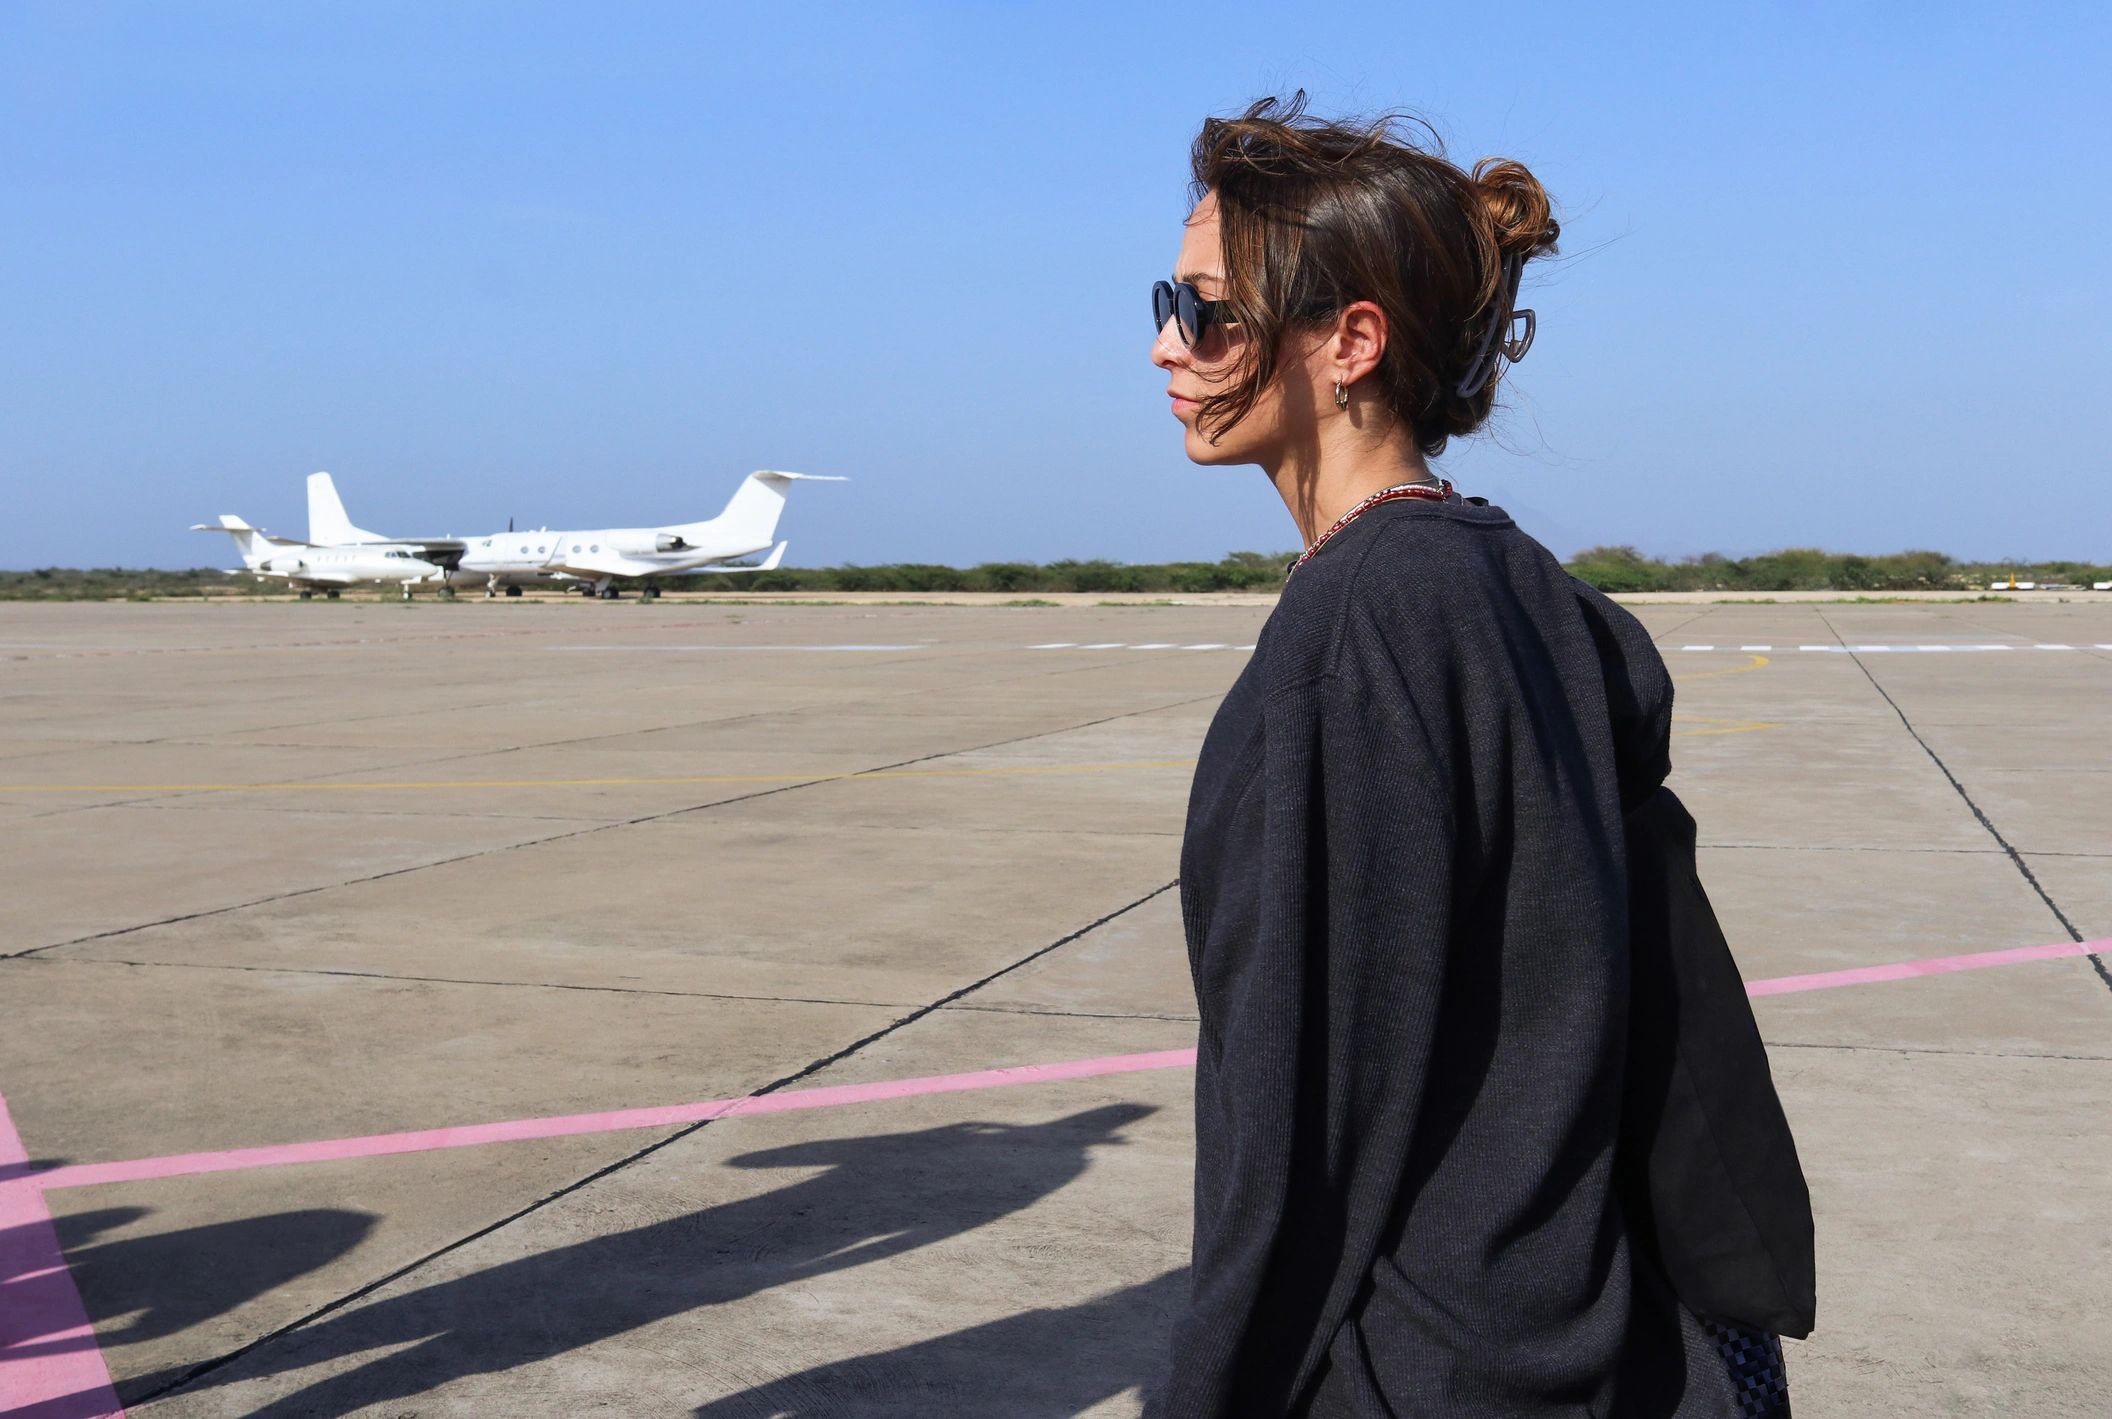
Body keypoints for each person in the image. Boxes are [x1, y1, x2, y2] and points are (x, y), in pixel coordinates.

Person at [1147, 95, 1814, 1417]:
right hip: (1593, 1333)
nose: (1170, 342)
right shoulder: (1517, 582)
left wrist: (1208, 1390)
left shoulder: (1367, 619)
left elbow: (1313, 1109)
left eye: (1209, 310)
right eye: (1165, 299)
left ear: (1349, 342)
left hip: (1433, 1361)